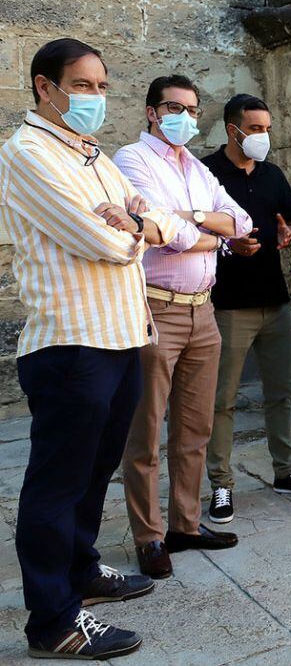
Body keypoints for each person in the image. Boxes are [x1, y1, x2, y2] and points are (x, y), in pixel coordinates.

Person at [0, 38, 184, 659]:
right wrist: (137, 230)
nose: (95, 98)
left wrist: (139, 223)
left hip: (122, 334)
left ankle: (80, 571)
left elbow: (165, 223)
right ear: (43, 88)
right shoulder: (28, 153)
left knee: (93, 471)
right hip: (71, 341)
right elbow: (101, 241)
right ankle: (53, 621)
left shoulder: (94, 158)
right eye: (81, 86)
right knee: (56, 483)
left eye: (102, 87)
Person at [114, 75, 252, 580]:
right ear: (152, 111)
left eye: (193, 110)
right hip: (156, 308)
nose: (185, 118)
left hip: (203, 310)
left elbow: (240, 222)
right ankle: (149, 536)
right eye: (175, 107)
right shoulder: (131, 159)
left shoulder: (196, 166)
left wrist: (194, 221)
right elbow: (159, 232)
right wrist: (208, 232)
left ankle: (186, 525)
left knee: (195, 427)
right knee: (146, 430)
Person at [201, 94, 291, 525]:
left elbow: (287, 220)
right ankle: (221, 483)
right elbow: (190, 229)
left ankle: (286, 469)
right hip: (227, 304)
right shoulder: (205, 173)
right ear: (233, 129)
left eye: (267, 129)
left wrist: (285, 229)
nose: (263, 137)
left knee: (281, 393)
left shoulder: (272, 173)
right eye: (255, 129)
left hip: (274, 300)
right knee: (223, 399)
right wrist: (226, 243)